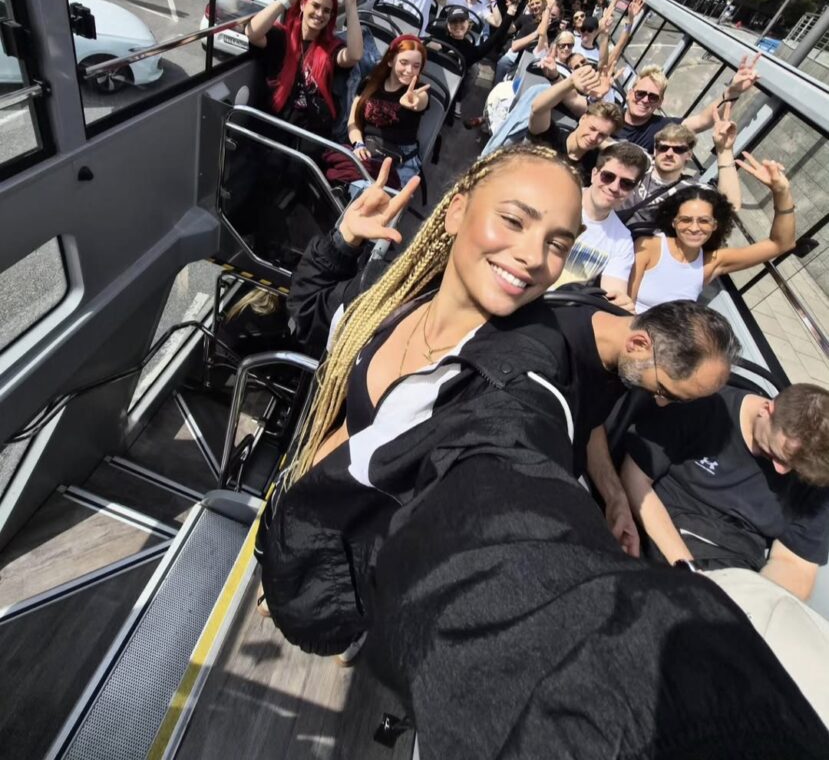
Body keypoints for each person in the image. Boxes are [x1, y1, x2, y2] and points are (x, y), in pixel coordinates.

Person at [256, 147, 829, 759]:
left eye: (558, 243)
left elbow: (513, 479)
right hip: (309, 503)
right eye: (514, 220)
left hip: (366, 553)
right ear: (456, 210)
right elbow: (311, 314)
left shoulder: (517, 369)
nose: (534, 256)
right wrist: (343, 240)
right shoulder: (394, 293)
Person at [552, 298, 740, 557]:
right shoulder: (552, 357)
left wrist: (615, 498)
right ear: (639, 344)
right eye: (664, 390)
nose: (661, 403)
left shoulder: (622, 360)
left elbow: (590, 421)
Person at [621, 381, 829, 598]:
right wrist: (690, 570)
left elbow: (794, 564)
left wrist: (752, 604)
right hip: (667, 533)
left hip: (736, 568)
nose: (781, 470)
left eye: (792, 466)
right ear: (766, 410)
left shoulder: (814, 472)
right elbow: (634, 478)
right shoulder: (705, 407)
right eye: (773, 454)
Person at [629, 154, 796, 313]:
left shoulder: (711, 263)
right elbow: (624, 305)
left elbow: (782, 244)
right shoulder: (649, 246)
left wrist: (781, 192)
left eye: (704, 221)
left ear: (715, 225)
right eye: (686, 220)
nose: (694, 228)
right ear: (673, 222)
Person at [244, 0, 369, 137]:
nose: (320, 14)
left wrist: (350, 2)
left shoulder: (329, 49)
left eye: (327, 11)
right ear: (303, 4)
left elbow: (355, 55)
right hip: (270, 128)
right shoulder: (282, 38)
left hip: (308, 135)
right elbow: (252, 32)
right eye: (315, 6)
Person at [617, 110, 741, 238]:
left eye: (678, 150)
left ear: (688, 155)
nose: (669, 154)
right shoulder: (639, 162)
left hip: (639, 244)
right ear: (655, 149)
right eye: (663, 147)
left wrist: (724, 150)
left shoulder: (690, 189)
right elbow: (606, 140)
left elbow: (731, 205)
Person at [552, 142, 649, 304]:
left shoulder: (622, 240)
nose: (614, 187)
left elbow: (613, 292)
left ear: (632, 191)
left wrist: (621, 303)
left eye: (626, 183)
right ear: (594, 174)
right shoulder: (556, 198)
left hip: (562, 307)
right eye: (608, 176)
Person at [619, 53, 761, 153]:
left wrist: (733, 91)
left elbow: (703, 121)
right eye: (640, 93)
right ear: (630, 94)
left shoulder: (661, 127)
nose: (645, 100)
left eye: (653, 97)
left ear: (660, 103)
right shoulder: (611, 116)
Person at [345, 35, 430, 187]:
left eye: (416, 66)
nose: (409, 70)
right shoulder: (369, 84)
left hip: (400, 159)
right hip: (367, 148)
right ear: (390, 61)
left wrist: (416, 101)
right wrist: (358, 144)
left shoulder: (418, 91)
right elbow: (354, 121)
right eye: (404, 63)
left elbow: (421, 101)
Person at [427, 0, 518, 119]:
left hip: (448, 92)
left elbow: (496, 37)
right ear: (447, 24)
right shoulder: (438, 36)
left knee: (472, 72)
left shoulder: (470, 50)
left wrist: (511, 11)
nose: (458, 25)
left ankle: (458, 100)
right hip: (429, 81)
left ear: (468, 24)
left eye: (462, 21)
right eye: (454, 21)